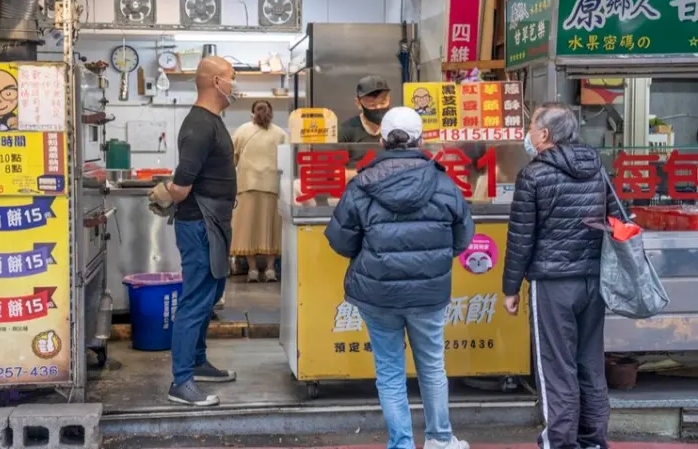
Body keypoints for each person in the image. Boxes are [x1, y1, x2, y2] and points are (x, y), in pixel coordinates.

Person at [325, 107, 474, 449]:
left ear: (381, 140)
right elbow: (463, 237)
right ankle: (439, 439)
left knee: (389, 371)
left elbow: (341, 241)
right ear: (421, 139)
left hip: (377, 295)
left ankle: (402, 444)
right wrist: (433, 261)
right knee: (432, 367)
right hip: (429, 293)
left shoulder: (361, 185)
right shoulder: (444, 183)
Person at [503, 103, 619, 449]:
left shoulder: (533, 175)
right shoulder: (597, 168)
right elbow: (617, 219)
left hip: (553, 284)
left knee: (556, 366)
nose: (528, 134)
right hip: (593, 281)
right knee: (590, 363)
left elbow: (521, 238)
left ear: (544, 134)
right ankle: (593, 439)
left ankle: (560, 442)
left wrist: (510, 288)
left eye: (531, 127)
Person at [162, 56, 239, 407]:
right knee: (195, 299)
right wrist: (166, 191)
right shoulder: (199, 125)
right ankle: (181, 382)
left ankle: (197, 361)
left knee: (211, 293)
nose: (235, 85)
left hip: (216, 222)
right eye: (231, 77)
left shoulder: (213, 121)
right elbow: (181, 187)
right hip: (199, 224)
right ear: (215, 82)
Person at [230, 100, 288, 282]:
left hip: (249, 186)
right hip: (268, 187)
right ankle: (269, 269)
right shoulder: (280, 133)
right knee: (269, 229)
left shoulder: (242, 131)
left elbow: (231, 159)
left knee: (249, 230)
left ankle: (253, 269)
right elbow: (287, 162)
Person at [338, 76, 392, 145]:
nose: (378, 107)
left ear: (389, 99)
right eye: (372, 104)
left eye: (383, 103)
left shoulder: (396, 128)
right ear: (358, 103)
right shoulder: (346, 131)